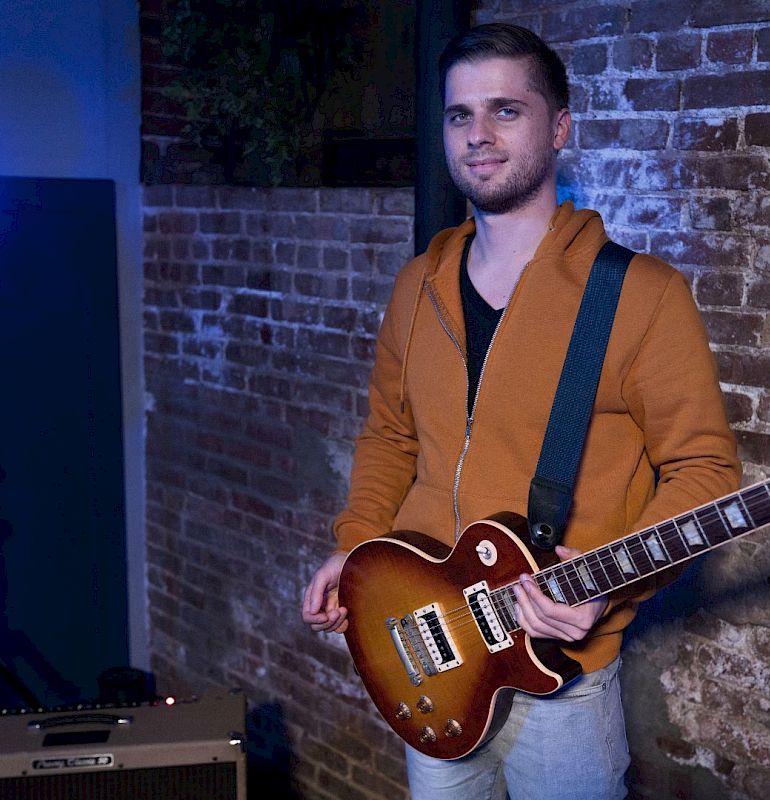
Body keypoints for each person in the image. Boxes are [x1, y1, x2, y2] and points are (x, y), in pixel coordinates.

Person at [302, 22, 740, 800]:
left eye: (506, 110)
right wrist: (358, 546)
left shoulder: (641, 296)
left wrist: (608, 585)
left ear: (559, 127)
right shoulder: (417, 287)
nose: (478, 134)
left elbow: (704, 470)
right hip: (431, 655)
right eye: (459, 114)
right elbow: (391, 438)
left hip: (562, 680)